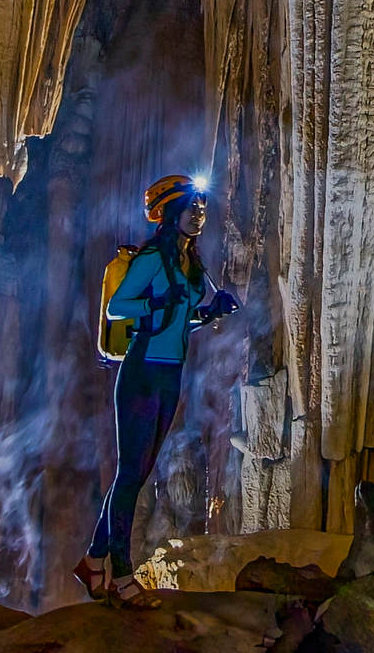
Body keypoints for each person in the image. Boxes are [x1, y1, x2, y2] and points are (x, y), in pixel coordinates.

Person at [73, 173, 239, 605]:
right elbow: (116, 307)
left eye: (202, 207)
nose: (199, 214)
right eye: (191, 208)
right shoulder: (150, 259)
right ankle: (121, 578)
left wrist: (212, 312)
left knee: (138, 473)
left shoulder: (194, 267)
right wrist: (155, 304)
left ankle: (92, 562)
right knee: (131, 474)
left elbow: (184, 322)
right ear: (169, 214)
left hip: (171, 375)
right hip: (142, 371)